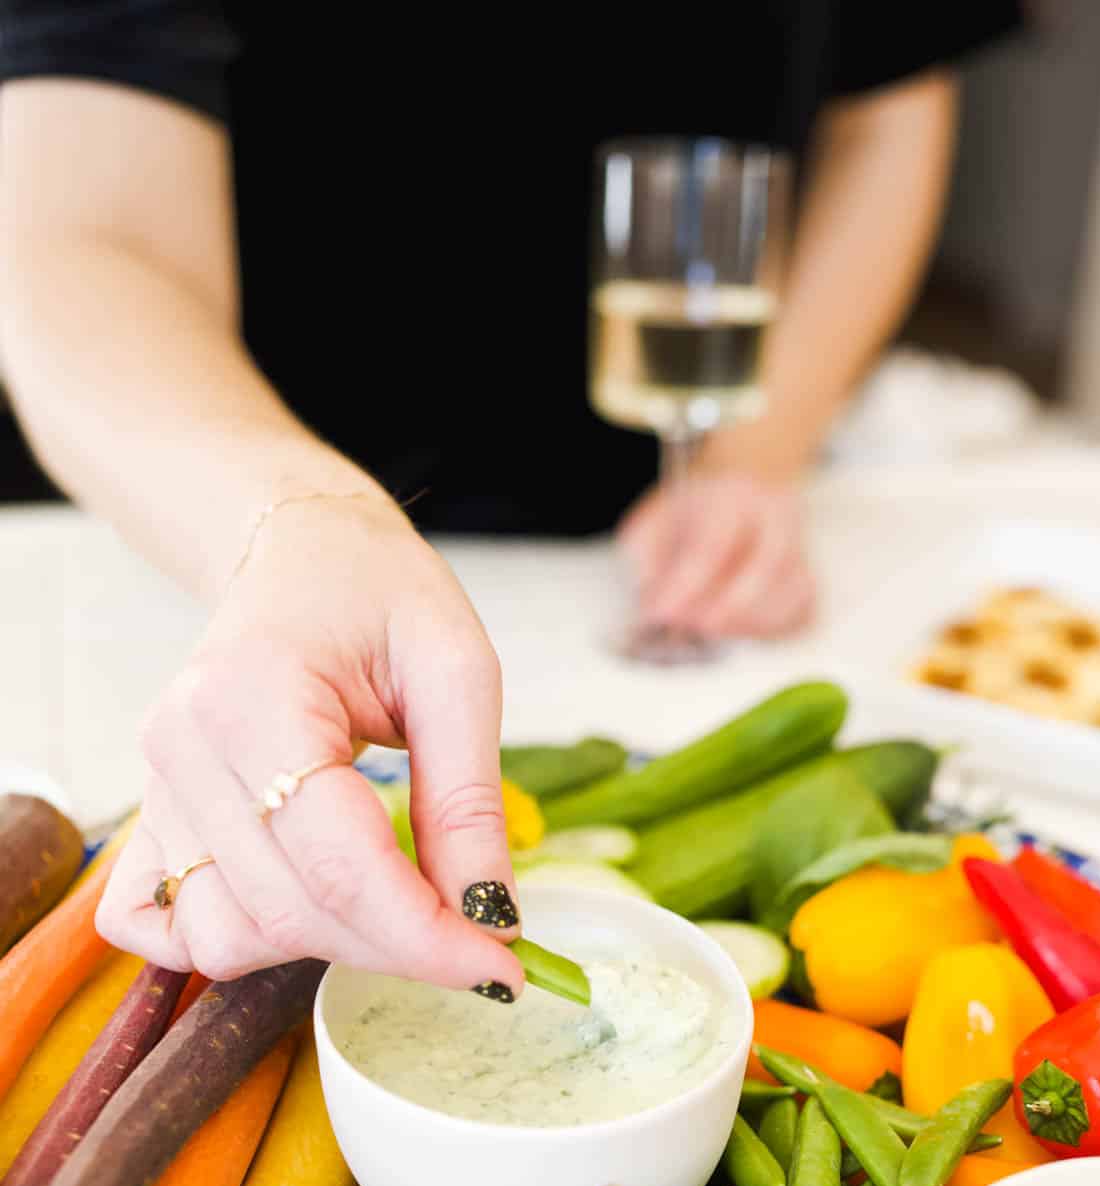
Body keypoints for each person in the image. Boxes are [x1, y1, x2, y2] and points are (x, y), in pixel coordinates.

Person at [0, 3, 1018, 988]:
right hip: (220, 535)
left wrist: (756, 449)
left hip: (638, 542)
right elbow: (88, 228)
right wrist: (299, 521)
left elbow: (888, 98)